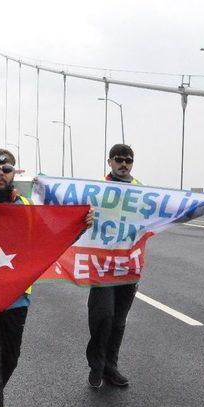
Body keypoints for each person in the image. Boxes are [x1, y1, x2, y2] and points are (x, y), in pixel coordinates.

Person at [0, 149, 93, 407]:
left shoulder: (26, 207)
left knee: (9, 360)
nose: (0, 173)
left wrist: (80, 225)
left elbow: (50, 237)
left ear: (14, 173)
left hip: (17, 300)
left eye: (6, 168)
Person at [87, 144, 140, 389]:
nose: (124, 164)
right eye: (119, 160)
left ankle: (110, 366)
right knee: (103, 316)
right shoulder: (97, 189)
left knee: (118, 320)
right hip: (102, 265)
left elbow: (169, 209)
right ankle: (96, 364)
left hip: (129, 266)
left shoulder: (142, 190)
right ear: (109, 162)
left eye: (128, 160)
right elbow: (75, 207)